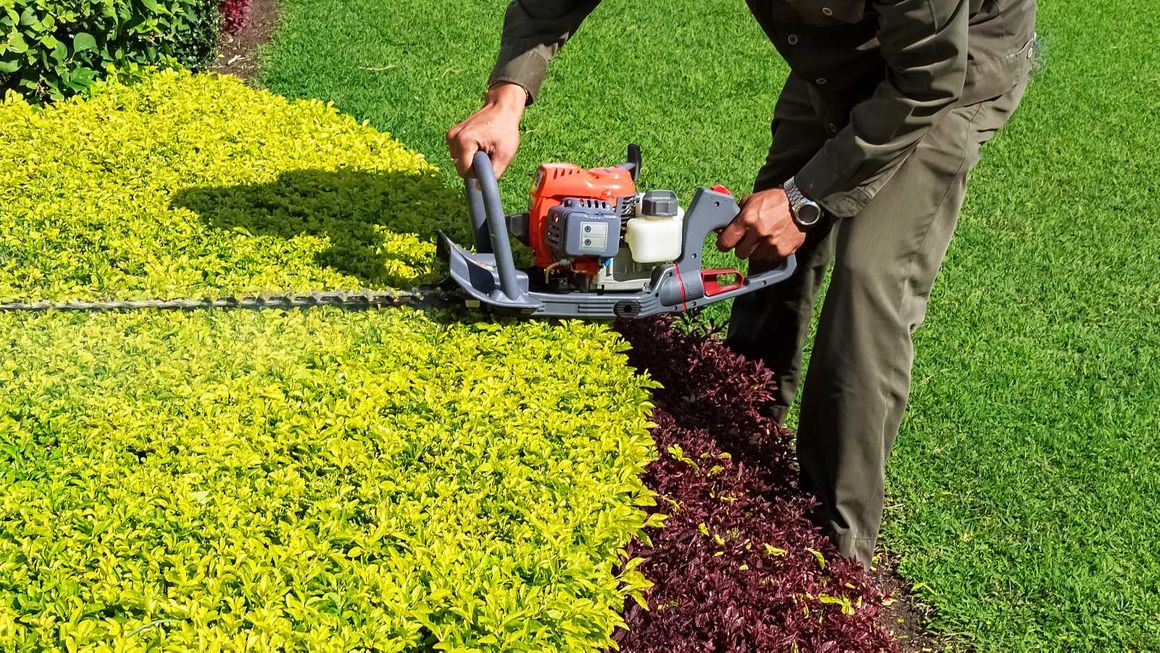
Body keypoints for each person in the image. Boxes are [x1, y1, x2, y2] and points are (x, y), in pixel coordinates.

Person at [446, 0, 1036, 569]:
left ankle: (834, 549)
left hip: (947, 69)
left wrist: (803, 199)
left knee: (869, 280)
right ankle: (740, 430)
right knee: (766, 240)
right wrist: (507, 98)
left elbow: (928, 78)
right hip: (839, 58)